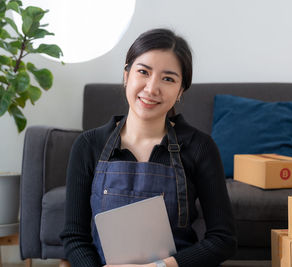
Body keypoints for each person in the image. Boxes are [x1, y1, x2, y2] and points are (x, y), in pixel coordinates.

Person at [60, 28, 237, 267]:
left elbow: (223, 239)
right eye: (143, 72)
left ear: (180, 91)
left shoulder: (200, 148)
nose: (152, 88)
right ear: (126, 75)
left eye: (168, 79)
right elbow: (74, 237)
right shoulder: (89, 145)